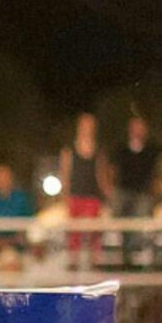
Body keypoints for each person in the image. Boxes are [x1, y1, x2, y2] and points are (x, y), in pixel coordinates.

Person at [58, 113, 111, 268]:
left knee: (93, 230)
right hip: (75, 195)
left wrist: (107, 192)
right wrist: (65, 196)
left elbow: (100, 174)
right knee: (74, 231)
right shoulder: (69, 149)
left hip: (92, 195)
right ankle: (73, 261)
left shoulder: (98, 150)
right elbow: (65, 173)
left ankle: (94, 260)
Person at [112, 112, 160, 267]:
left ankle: (135, 252)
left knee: (140, 212)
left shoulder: (153, 149)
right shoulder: (121, 148)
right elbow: (110, 169)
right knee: (120, 212)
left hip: (143, 193)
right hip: (124, 191)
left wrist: (156, 186)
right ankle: (126, 253)